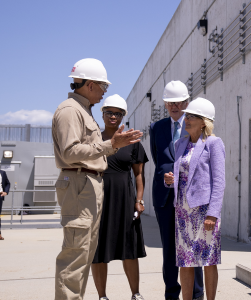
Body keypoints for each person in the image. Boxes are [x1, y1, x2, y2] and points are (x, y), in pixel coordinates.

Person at [53, 58, 143, 300]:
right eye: (104, 86)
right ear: (90, 84)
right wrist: (110, 145)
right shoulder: (71, 111)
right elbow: (70, 152)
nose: (105, 92)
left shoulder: (83, 111)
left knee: (83, 255)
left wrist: (111, 146)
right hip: (79, 184)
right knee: (75, 257)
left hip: (87, 185)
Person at [164, 97, 225, 300]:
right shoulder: (181, 144)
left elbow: (219, 182)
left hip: (204, 212)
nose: (186, 119)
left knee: (208, 260)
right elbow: (184, 176)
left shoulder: (213, 143)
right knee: (185, 261)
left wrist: (213, 214)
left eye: (192, 116)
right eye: (187, 116)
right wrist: (169, 180)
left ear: (204, 121)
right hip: (182, 212)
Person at [150, 80, 204, 300]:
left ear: (187, 102)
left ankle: (197, 294)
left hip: (190, 198)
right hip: (164, 198)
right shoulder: (157, 127)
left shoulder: (196, 125)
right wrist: (167, 176)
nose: (174, 106)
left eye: (179, 102)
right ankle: (171, 294)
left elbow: (201, 159)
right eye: (170, 102)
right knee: (169, 250)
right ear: (165, 104)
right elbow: (158, 160)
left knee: (192, 248)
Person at [91, 95, 148, 300]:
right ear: (103, 114)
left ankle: (136, 293)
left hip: (125, 199)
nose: (113, 116)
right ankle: (102, 296)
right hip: (98, 199)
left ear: (123, 116)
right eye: (109, 113)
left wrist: (139, 200)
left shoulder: (132, 141)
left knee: (129, 248)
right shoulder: (94, 138)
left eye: (117, 113)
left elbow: (139, 174)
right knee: (98, 251)